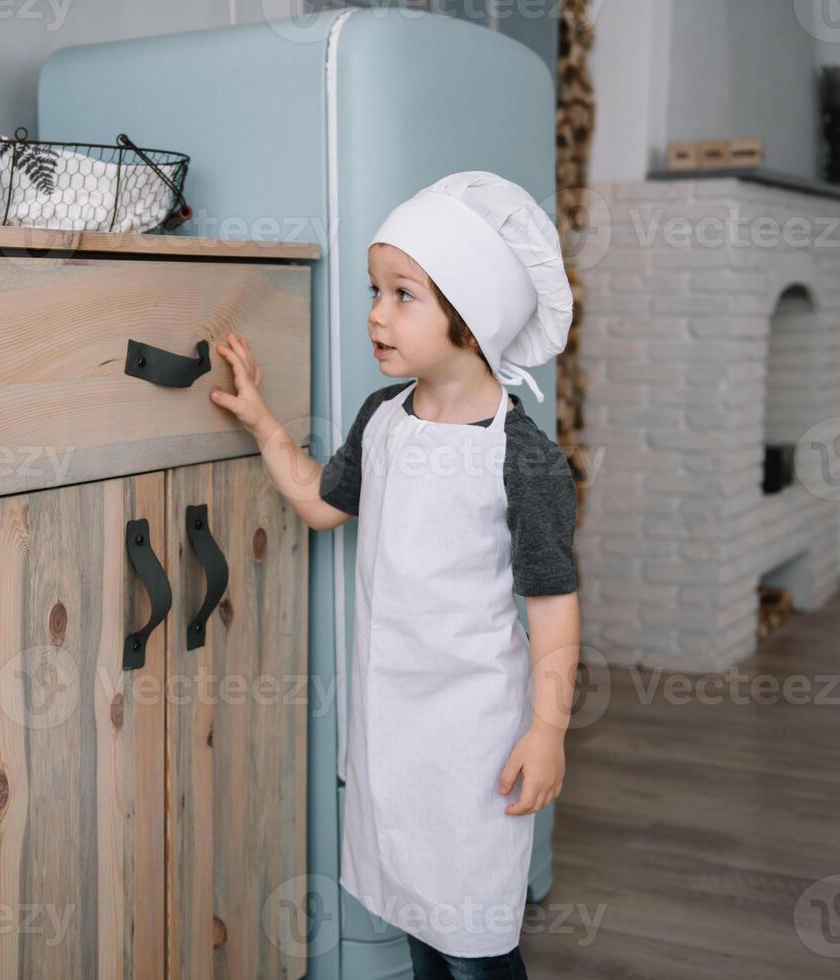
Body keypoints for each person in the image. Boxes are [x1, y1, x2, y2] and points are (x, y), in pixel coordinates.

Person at [209, 171, 581, 979]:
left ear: (472, 318)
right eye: (375, 290)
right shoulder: (383, 419)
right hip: (394, 736)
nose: (376, 311)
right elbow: (318, 503)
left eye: (403, 294)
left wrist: (547, 730)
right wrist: (263, 422)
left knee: (476, 938)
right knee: (420, 915)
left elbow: (552, 610)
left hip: (478, 742)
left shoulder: (525, 458)